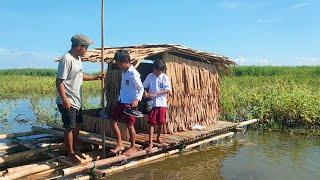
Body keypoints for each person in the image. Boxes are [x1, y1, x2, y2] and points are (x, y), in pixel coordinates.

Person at [56, 34, 104, 163]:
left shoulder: (78, 59)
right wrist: (65, 99)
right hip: (68, 101)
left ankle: (75, 149)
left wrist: (96, 77)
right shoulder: (67, 59)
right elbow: (59, 81)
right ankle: (70, 153)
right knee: (69, 127)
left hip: (77, 101)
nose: (87, 51)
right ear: (79, 47)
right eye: (86, 48)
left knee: (77, 126)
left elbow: (80, 76)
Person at [110, 49, 144, 157]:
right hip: (122, 101)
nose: (119, 66)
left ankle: (133, 147)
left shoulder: (134, 74)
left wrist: (137, 100)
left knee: (130, 125)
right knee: (113, 120)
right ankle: (120, 143)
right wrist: (120, 97)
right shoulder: (124, 72)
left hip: (130, 104)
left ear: (125, 61)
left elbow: (141, 89)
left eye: (120, 64)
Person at [143, 59, 171, 152]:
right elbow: (143, 87)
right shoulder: (150, 76)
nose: (158, 72)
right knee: (152, 123)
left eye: (160, 71)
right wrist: (145, 93)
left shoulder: (164, 77)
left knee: (161, 122)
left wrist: (158, 93)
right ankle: (150, 142)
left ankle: (158, 137)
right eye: (157, 70)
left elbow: (168, 89)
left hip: (162, 103)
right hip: (153, 103)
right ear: (154, 69)